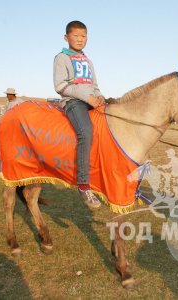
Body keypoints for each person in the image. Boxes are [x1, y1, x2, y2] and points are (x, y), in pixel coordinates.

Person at [53, 20, 105, 209]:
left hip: (90, 101)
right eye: (76, 35)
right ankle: (83, 185)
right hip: (73, 102)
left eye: (83, 36)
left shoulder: (87, 60)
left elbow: (95, 86)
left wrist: (100, 97)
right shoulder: (61, 58)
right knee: (86, 133)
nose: (80, 39)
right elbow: (60, 86)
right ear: (67, 37)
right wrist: (87, 97)